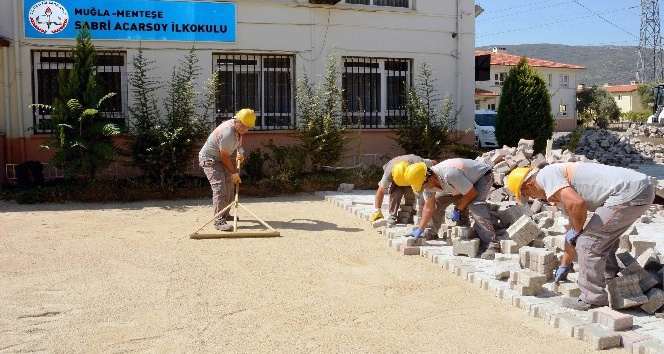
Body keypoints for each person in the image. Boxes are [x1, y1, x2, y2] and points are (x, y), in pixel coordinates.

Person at [506, 163, 655, 311]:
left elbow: (578, 204)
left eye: (530, 195)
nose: (534, 198)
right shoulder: (558, 192)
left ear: (530, 185)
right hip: (639, 189)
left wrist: (578, 232)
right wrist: (565, 264)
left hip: (629, 192)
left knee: (588, 242)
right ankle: (610, 281)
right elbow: (570, 231)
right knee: (600, 239)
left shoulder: (547, 175)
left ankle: (593, 298)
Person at [403, 159, 500, 259]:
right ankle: (431, 232)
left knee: (475, 205)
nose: (423, 188)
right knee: (438, 200)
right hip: (462, 182)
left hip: (482, 176)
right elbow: (429, 208)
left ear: (430, 178)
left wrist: (458, 209)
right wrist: (420, 229)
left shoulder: (450, 174)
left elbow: (472, 193)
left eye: (423, 185)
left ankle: (492, 244)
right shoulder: (429, 184)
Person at [199, 108, 255, 231]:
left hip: (220, 158)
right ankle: (219, 221)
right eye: (244, 126)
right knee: (220, 188)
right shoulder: (228, 132)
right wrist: (234, 173)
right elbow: (224, 157)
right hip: (210, 160)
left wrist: (240, 152)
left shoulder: (237, 128)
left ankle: (225, 214)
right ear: (237, 120)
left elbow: (239, 139)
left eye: (248, 127)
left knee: (229, 186)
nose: (245, 129)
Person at [370, 155, 436, 225]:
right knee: (395, 192)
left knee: (425, 190)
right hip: (398, 179)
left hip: (415, 176)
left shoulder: (419, 163)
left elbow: (434, 163)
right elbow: (380, 191)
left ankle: (427, 213)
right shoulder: (389, 172)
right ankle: (392, 216)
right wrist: (377, 210)